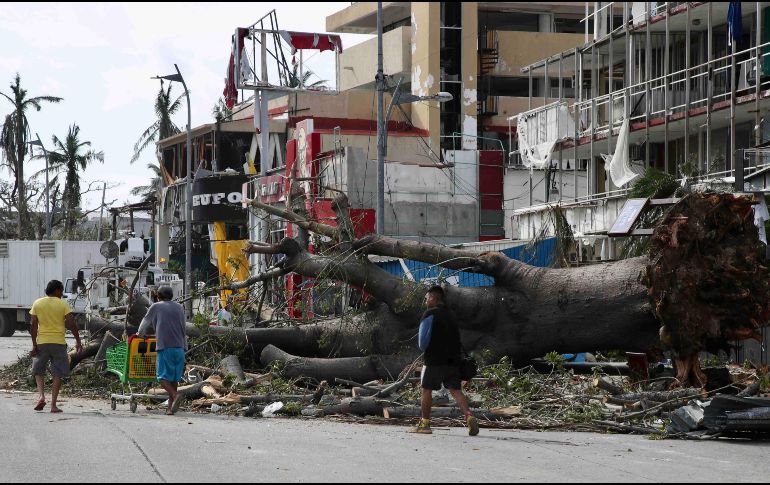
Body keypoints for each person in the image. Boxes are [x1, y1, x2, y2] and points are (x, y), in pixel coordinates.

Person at [410, 285, 479, 436]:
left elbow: (422, 343)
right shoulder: (451, 315)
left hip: (434, 360)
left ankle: (425, 424)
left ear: (433, 298)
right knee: (455, 391)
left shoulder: (429, 314)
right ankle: (469, 416)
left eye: (427, 298)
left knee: (426, 390)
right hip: (453, 361)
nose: (425, 301)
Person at [29, 280, 83, 413]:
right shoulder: (63, 304)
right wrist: (78, 341)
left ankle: (41, 396)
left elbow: (33, 325)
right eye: (61, 290)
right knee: (57, 373)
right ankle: (53, 405)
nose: (62, 293)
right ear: (57, 290)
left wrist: (34, 344)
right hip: (58, 343)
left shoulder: (37, 303)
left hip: (42, 342)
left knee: (38, 370)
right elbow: (71, 323)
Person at [137, 285, 187, 415]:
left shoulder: (156, 306)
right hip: (180, 348)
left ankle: (175, 396)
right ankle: (170, 409)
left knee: (162, 377)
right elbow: (182, 327)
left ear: (158, 296)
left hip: (165, 347)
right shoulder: (180, 307)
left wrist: (140, 334)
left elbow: (145, 321)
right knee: (174, 379)